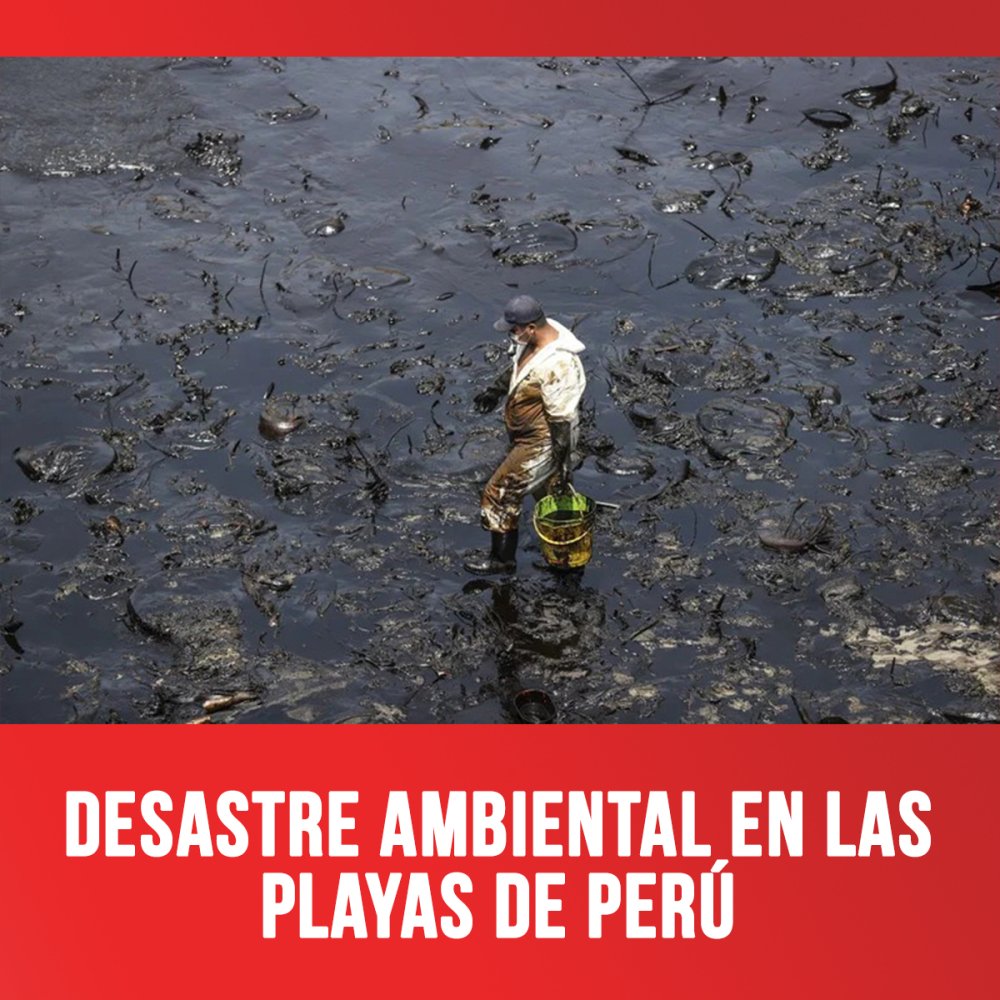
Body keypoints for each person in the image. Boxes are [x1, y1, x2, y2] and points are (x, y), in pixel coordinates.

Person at [465, 294, 586, 574]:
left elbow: (561, 420)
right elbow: (520, 370)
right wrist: (495, 391)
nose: (511, 335)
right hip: (529, 435)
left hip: (543, 441)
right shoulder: (533, 340)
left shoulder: (560, 365)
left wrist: (563, 461)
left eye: (514, 329)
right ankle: (565, 558)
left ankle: (502, 561)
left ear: (531, 327)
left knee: (500, 494)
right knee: (551, 496)